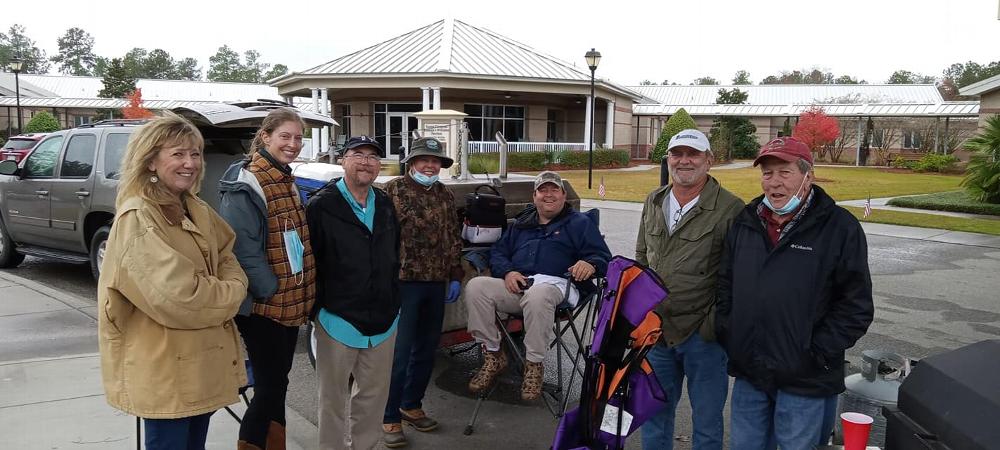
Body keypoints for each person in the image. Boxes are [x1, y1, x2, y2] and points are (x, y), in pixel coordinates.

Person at [97, 114, 248, 450]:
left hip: (199, 366)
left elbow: (227, 255)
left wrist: (227, 284)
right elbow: (181, 299)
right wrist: (234, 292)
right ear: (151, 160)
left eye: (195, 154)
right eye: (178, 154)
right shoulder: (140, 217)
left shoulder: (195, 207)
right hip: (167, 372)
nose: (190, 163)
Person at [715, 137, 874, 449]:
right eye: (767, 174)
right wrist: (730, 333)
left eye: (784, 173)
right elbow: (726, 285)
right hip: (751, 370)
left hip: (805, 378)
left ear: (807, 176)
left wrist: (813, 352)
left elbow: (856, 307)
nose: (774, 183)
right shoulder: (746, 222)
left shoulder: (840, 228)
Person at [635, 129, 744, 450]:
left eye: (693, 154)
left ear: (709, 160)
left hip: (703, 338)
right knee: (654, 415)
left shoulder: (730, 209)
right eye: (676, 154)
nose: (684, 161)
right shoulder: (653, 201)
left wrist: (712, 326)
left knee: (707, 422)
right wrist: (643, 313)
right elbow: (642, 258)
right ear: (667, 160)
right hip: (656, 333)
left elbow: (736, 278)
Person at [218, 108, 317, 450]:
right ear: (266, 137)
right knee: (271, 385)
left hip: (291, 305)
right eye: (285, 136)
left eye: (298, 138)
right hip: (265, 308)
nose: (292, 144)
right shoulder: (248, 181)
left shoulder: (285, 178)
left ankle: (276, 444)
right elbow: (242, 248)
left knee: (277, 383)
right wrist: (269, 289)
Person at [465, 171, 612, 401]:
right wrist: (508, 272)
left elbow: (604, 258)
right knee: (476, 287)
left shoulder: (580, 223)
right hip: (521, 286)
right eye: (543, 190)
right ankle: (493, 354)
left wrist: (590, 263)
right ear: (534, 196)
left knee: (539, 294)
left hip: (559, 288)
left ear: (564, 195)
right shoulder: (521, 224)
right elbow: (499, 252)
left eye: (554, 189)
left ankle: (534, 364)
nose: (549, 195)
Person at [306, 135, 401, 450]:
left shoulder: (385, 203)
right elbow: (310, 262)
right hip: (338, 319)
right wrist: (316, 309)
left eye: (373, 157)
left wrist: (394, 300)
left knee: (373, 398)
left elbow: (392, 255)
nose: (366, 162)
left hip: (384, 319)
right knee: (332, 399)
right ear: (342, 160)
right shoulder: (322, 205)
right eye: (357, 154)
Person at [380, 137, 463, 447]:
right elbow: (381, 236)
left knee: (427, 350)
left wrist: (455, 274)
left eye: (435, 161)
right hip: (403, 283)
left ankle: (411, 404)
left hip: (436, 283)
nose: (430, 165)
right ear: (411, 162)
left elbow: (453, 236)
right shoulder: (392, 190)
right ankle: (389, 416)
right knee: (399, 353)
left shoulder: (445, 194)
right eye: (424, 159)